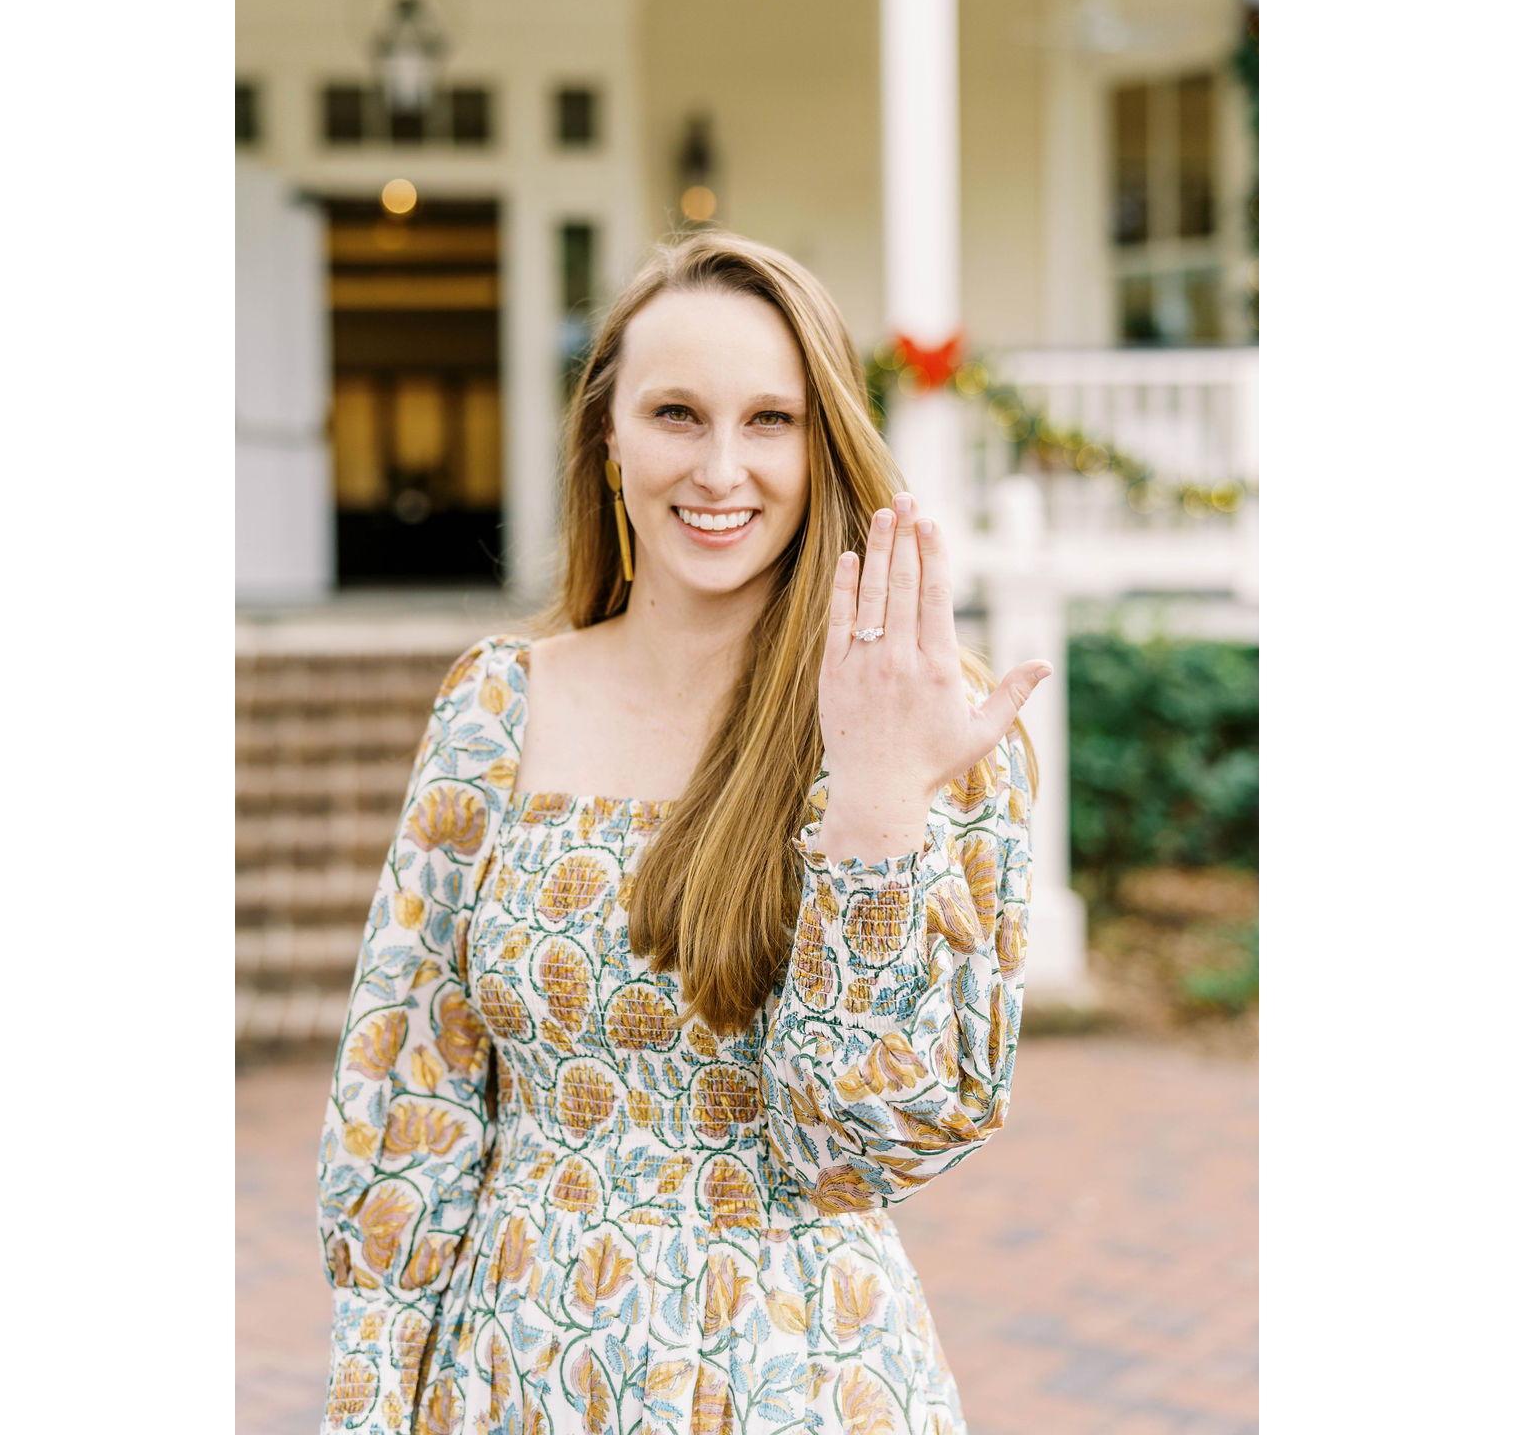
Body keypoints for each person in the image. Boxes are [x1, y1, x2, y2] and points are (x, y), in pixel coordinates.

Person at [314, 229, 1051, 1435]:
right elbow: (407, 1097)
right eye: (676, 414)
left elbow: (864, 1147)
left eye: (771, 421)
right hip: (509, 1376)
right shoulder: (498, 704)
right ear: (608, 435)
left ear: (823, 444)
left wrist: (875, 796)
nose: (720, 469)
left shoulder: (918, 716)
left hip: (795, 1378)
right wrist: (370, 1398)